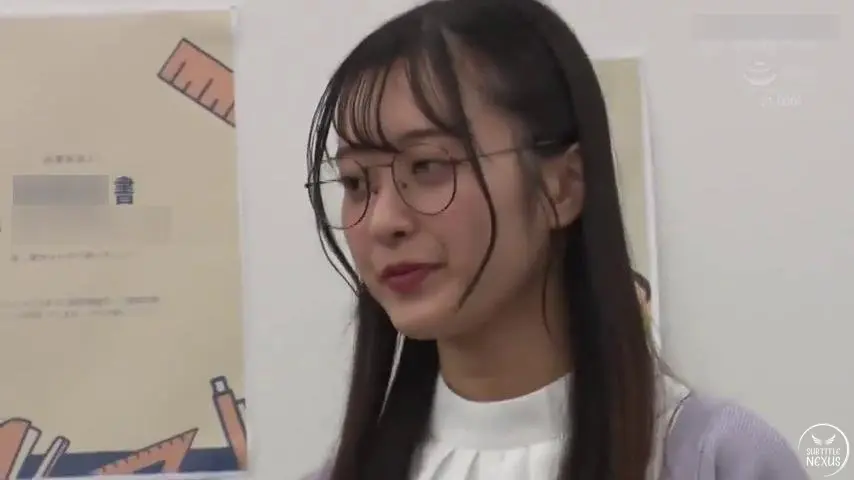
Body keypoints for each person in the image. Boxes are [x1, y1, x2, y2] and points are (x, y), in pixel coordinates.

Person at [300, 0, 808, 478]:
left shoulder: (716, 459)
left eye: (427, 166)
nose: (382, 221)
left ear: (561, 186)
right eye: (356, 183)